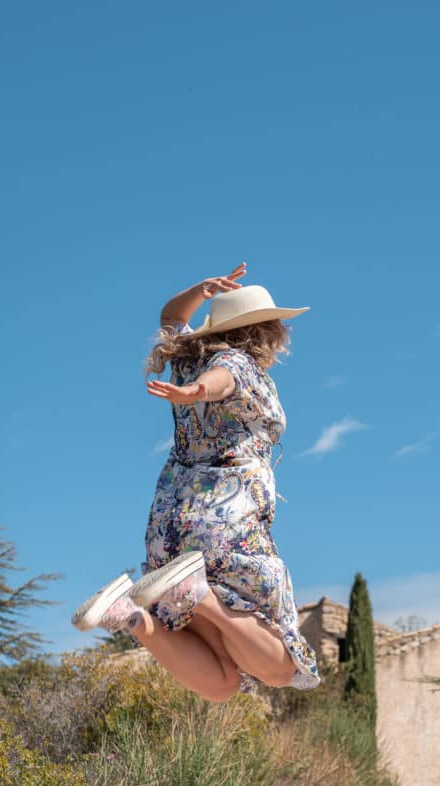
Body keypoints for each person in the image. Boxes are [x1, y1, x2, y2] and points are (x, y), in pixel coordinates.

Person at [72, 263, 320, 700]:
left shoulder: (187, 360)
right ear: (265, 332)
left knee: (223, 683)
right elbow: (226, 379)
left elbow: (170, 319)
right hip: (227, 525)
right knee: (281, 668)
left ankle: (127, 614)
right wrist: (198, 393)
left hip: (171, 528)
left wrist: (198, 291)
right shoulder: (238, 365)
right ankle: (198, 594)